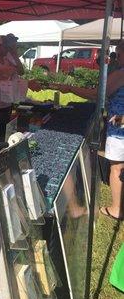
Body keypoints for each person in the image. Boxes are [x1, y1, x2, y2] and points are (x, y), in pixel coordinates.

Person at [50, 41, 124, 220]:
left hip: (119, 129)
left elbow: (97, 94)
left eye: (119, 53)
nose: (117, 57)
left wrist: (70, 88)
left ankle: (116, 209)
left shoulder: (121, 73)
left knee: (117, 168)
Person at [0, 35, 24, 139]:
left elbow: (21, 71)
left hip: (6, 105)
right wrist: (9, 88)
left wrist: (14, 53)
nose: (8, 48)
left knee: (4, 135)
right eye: (6, 46)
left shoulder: (8, 61)